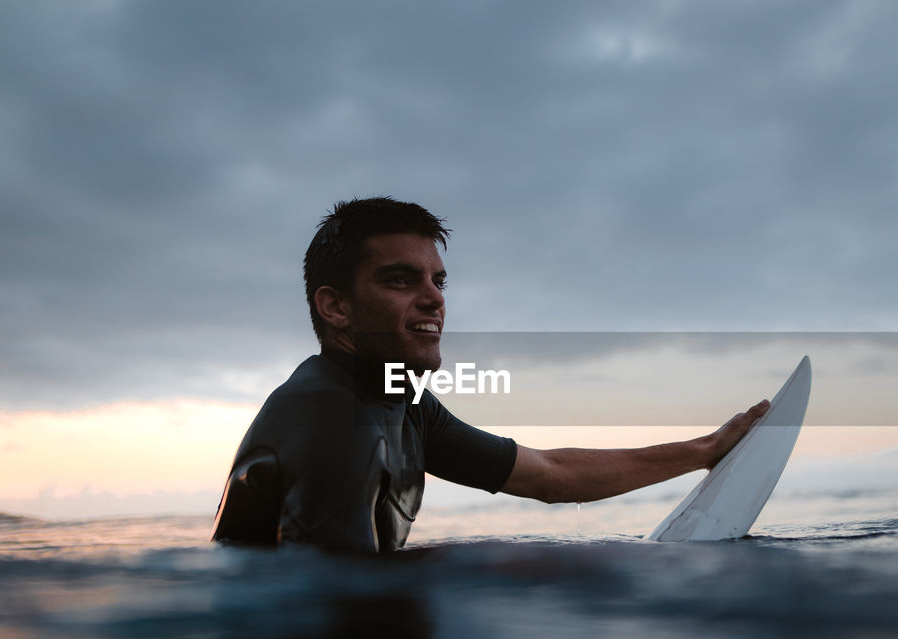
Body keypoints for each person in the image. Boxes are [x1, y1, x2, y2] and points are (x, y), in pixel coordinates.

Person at [212, 197, 769, 552]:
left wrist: (704, 449)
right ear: (335, 307)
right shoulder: (331, 418)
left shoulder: (397, 400)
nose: (434, 299)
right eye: (400, 280)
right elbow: (330, 610)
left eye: (439, 282)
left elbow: (549, 475)